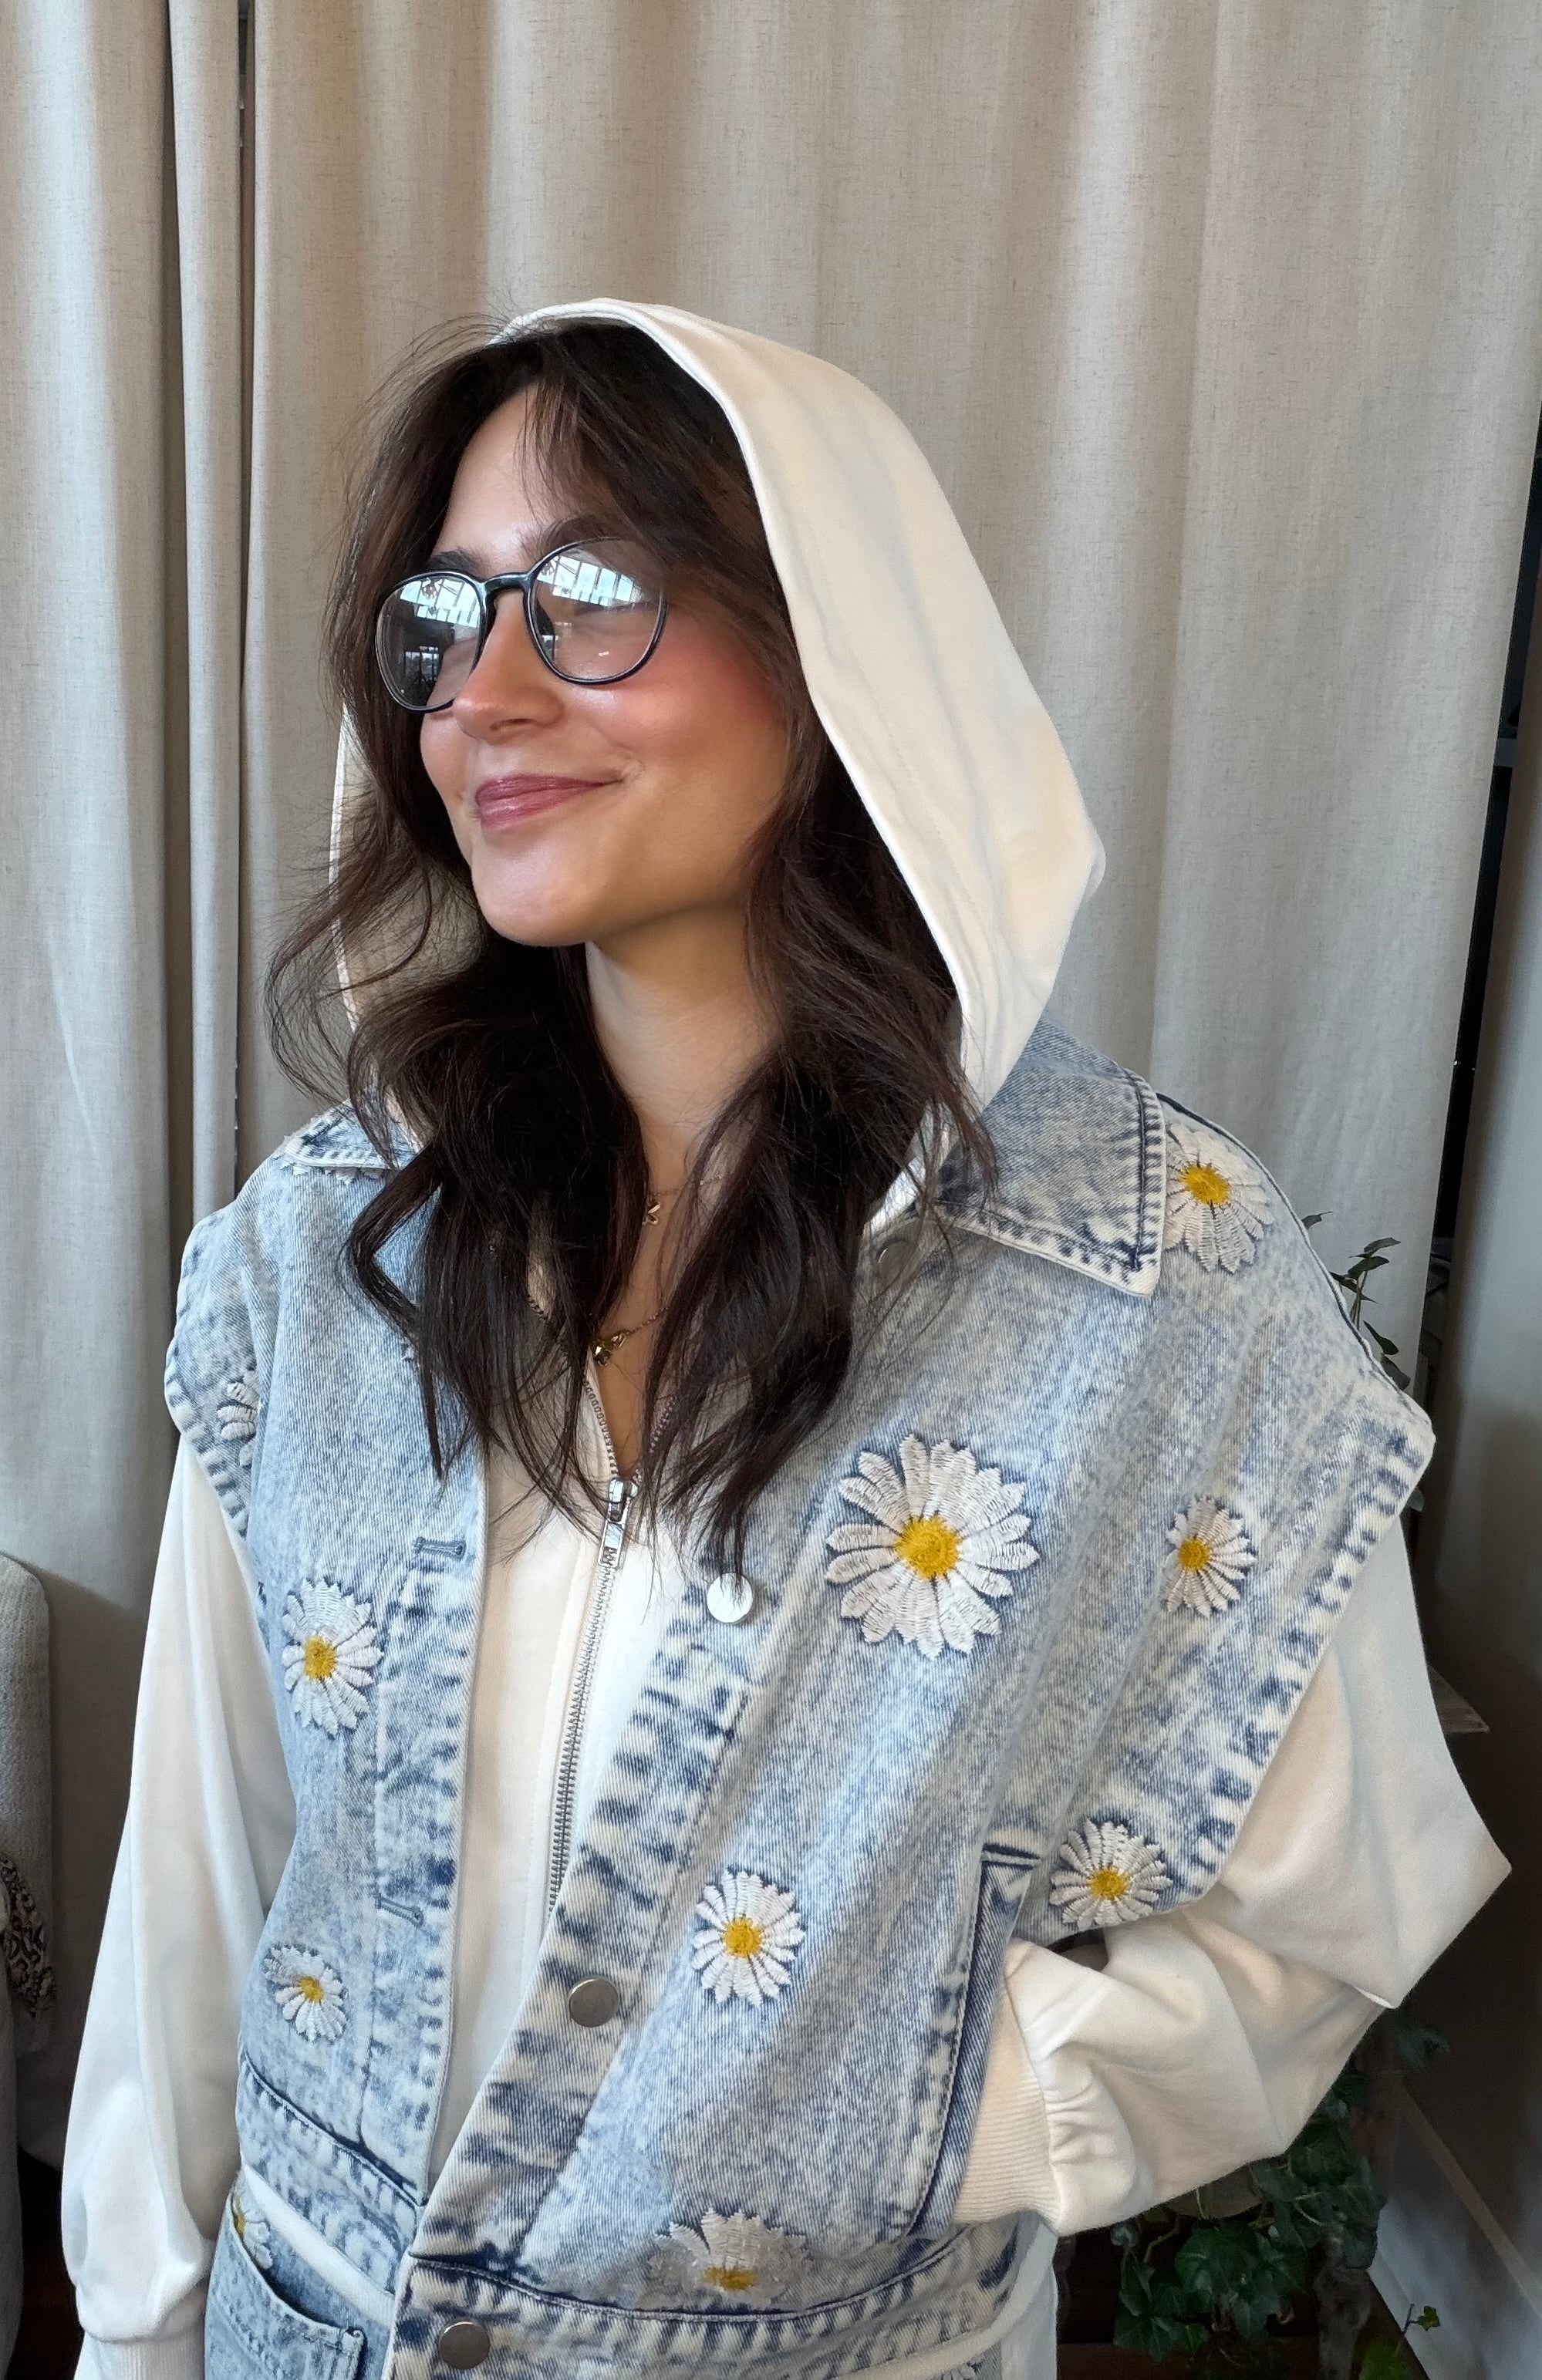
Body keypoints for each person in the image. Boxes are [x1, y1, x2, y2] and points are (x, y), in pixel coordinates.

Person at [61, 298, 1507, 2380]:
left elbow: (1327, 1915)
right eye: (443, 618)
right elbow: (202, 1876)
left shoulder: (1154, 1289)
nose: (482, 688)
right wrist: (137, 2330)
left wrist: (915, 2100)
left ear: (841, 647)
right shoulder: (327, 1257)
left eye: (587, 598)